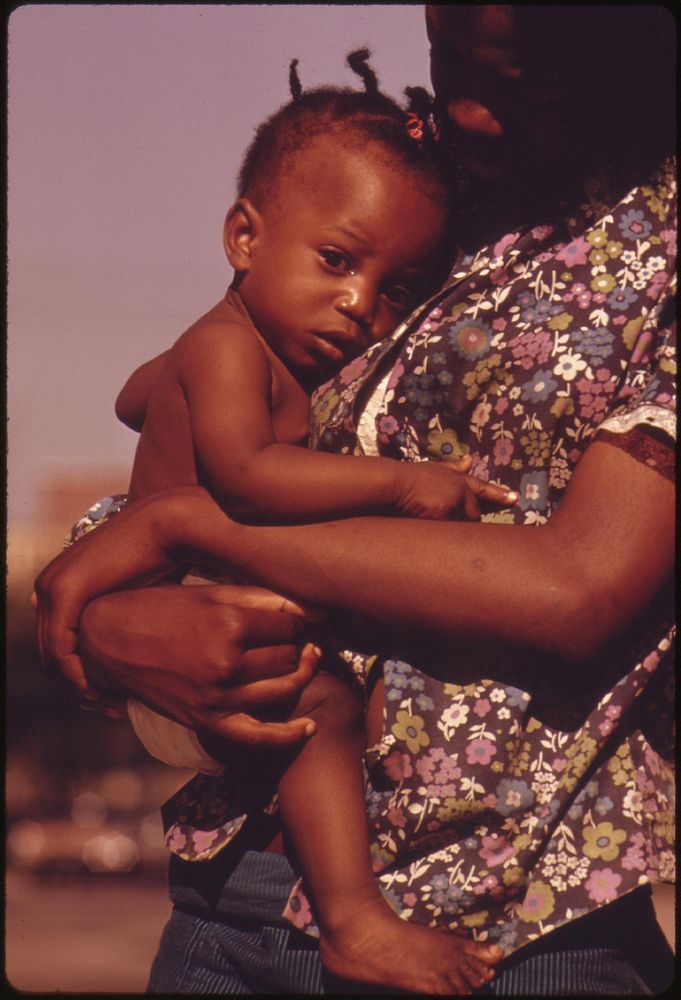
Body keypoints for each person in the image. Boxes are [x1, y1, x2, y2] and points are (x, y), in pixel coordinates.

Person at [35, 5, 675, 996]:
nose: (465, 109)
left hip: (516, 926)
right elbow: (200, 427)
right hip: (232, 892)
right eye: (449, 52)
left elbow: (575, 585)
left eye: (521, 85)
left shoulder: (659, 246)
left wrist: (180, 530)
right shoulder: (397, 195)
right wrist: (114, 613)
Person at [102, 51, 513, 994]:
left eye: (391, 288)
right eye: (335, 260)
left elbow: (131, 399)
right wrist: (404, 485)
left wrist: (171, 389)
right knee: (320, 707)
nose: (358, 305)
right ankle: (354, 922)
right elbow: (249, 480)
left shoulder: (214, 347)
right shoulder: (225, 349)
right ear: (244, 235)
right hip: (186, 627)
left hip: (190, 615)